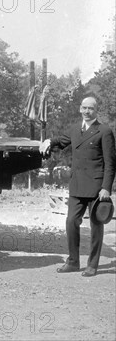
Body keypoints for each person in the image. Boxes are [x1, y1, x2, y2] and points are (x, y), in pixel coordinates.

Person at [39, 96, 115, 277]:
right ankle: (73, 262)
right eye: (84, 108)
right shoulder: (75, 129)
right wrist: (49, 141)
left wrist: (106, 187)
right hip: (77, 184)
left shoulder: (104, 131)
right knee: (71, 221)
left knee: (96, 226)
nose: (87, 111)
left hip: (97, 187)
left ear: (96, 111)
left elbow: (111, 163)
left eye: (90, 108)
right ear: (80, 109)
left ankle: (93, 265)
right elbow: (61, 141)